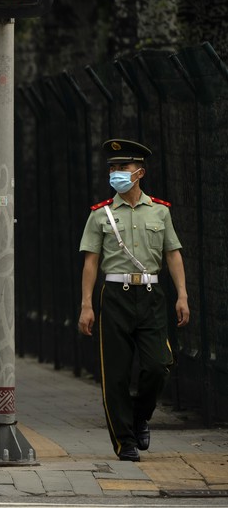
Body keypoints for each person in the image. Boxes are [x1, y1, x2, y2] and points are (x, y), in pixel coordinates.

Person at [78, 138, 189, 462]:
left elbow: (173, 253)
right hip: (114, 295)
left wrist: (182, 295)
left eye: (122, 167)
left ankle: (140, 416)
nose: (116, 173)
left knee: (158, 364)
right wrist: (87, 304)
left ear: (139, 172)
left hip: (152, 295)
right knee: (115, 373)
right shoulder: (101, 214)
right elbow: (91, 261)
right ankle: (124, 441)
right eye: (112, 168)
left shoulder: (160, 211)